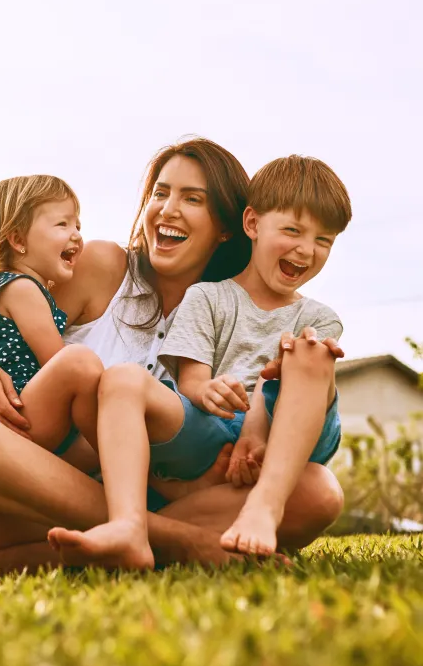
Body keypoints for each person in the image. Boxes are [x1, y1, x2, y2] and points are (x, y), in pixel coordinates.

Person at [0, 138, 344, 573]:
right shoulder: (102, 266)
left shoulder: (239, 313)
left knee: (317, 491)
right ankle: (179, 542)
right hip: (19, 491)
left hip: (165, 500)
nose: (168, 208)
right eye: (160, 192)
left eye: (192, 198)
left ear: (228, 226)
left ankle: (54, 554)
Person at [73, 154, 351, 568]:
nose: (305, 249)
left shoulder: (318, 317)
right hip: (217, 426)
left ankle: (265, 507)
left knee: (309, 353)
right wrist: (206, 389)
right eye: (292, 230)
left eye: (323, 240)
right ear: (252, 224)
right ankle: (128, 526)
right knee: (122, 380)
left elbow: (293, 393)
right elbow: (191, 381)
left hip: (288, 431)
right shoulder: (207, 297)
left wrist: (258, 422)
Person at [0, 174, 101, 465]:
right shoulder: (24, 289)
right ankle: (116, 452)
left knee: (111, 459)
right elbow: (56, 360)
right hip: (22, 415)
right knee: (79, 361)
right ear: (18, 239)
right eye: (62, 224)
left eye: (78, 225)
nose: (76, 234)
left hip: (18, 416)